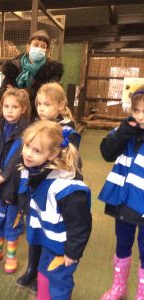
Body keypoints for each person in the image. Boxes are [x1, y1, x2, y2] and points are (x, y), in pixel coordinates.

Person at [16, 82, 82, 294]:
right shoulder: (37, 126)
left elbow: (61, 163)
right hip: (34, 189)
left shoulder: (66, 132)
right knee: (34, 229)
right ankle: (32, 269)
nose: (41, 108)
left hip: (52, 191)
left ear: (61, 105)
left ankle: (42, 274)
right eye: (39, 104)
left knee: (49, 232)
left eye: (47, 104)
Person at [99, 85, 144, 300]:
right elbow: (107, 152)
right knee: (123, 243)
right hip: (125, 200)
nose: (140, 116)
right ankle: (119, 287)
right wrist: (125, 130)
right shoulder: (126, 128)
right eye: (137, 111)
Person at [0, 87, 31, 273]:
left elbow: (19, 157)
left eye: (15, 107)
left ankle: (11, 256)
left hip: (14, 187)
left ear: (23, 108)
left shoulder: (27, 131)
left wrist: (4, 176)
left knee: (13, 221)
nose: (9, 110)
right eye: (6, 106)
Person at [0, 30, 63, 120]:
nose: (39, 49)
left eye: (43, 47)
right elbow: (3, 91)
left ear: (46, 51)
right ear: (28, 47)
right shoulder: (13, 66)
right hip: (13, 115)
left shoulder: (52, 70)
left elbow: (49, 95)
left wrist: (19, 93)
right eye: (36, 45)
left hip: (39, 116)